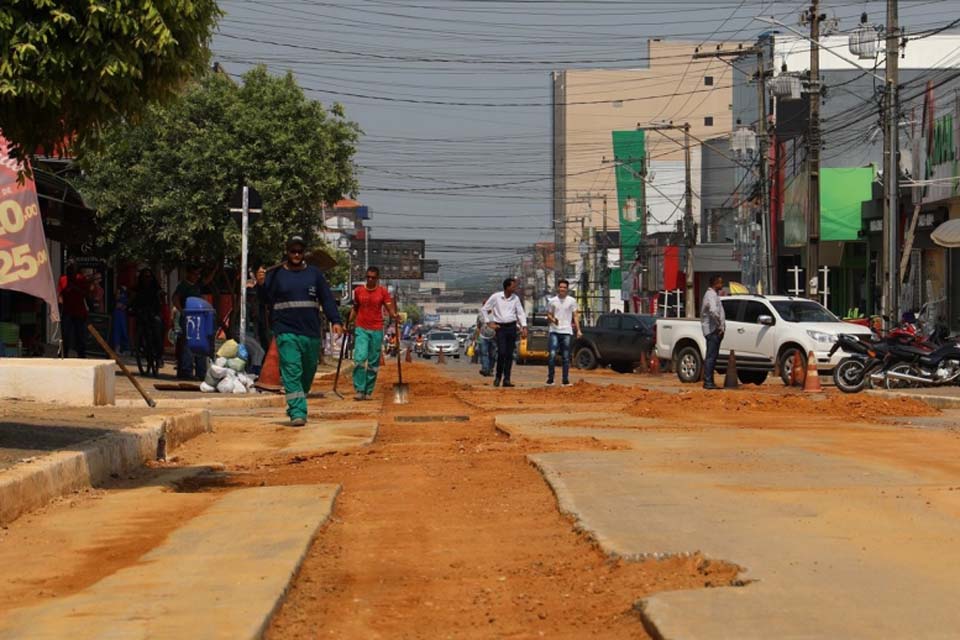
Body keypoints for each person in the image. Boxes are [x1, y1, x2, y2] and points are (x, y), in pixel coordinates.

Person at [256, 235, 343, 426]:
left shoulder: (314, 274)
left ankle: (298, 400)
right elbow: (265, 300)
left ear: (304, 253)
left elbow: (327, 299)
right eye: (292, 251)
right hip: (285, 330)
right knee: (292, 370)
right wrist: (261, 284)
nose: (296, 254)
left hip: (310, 333)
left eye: (299, 251)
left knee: (307, 371)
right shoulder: (275, 274)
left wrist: (335, 320)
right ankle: (297, 411)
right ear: (286, 252)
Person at [347, 266, 398, 401]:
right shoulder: (358, 291)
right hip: (361, 328)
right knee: (359, 358)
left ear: (377, 278)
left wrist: (394, 315)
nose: (370, 279)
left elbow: (389, 307)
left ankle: (368, 390)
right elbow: (355, 308)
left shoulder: (383, 292)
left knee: (373, 363)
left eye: (373, 277)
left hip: (376, 329)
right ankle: (359, 389)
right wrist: (348, 322)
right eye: (368, 277)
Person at [481, 277, 527, 387]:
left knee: (509, 355)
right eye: (513, 286)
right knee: (501, 353)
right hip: (500, 328)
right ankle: (498, 377)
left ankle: (507, 379)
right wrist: (489, 323)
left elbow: (520, 312)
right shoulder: (496, 297)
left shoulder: (515, 298)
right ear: (507, 287)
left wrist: (524, 326)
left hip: (512, 327)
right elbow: (484, 309)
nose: (515, 288)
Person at [173, 264, 210, 380]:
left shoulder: (198, 285)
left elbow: (207, 281)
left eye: (198, 274)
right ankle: (186, 371)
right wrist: (182, 311)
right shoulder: (183, 286)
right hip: (188, 319)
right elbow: (175, 298)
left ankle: (201, 372)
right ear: (188, 274)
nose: (197, 276)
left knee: (200, 344)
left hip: (199, 319)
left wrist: (215, 268)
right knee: (188, 345)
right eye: (195, 274)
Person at [546, 279, 581, 386]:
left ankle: (565, 380)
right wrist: (552, 319)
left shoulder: (572, 301)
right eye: (561, 287)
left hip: (566, 331)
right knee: (552, 355)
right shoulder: (552, 301)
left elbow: (575, 316)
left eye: (564, 287)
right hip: (554, 331)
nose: (562, 289)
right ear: (558, 288)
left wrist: (578, 330)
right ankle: (550, 379)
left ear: (567, 289)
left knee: (566, 356)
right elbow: (548, 315)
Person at [58, 261, 91, 358]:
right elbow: (60, 294)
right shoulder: (63, 279)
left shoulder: (81, 279)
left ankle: (81, 355)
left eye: (72, 268)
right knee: (65, 334)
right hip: (67, 311)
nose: (70, 270)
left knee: (80, 334)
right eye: (69, 268)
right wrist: (59, 304)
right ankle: (64, 354)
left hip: (79, 311)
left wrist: (75, 288)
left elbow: (86, 293)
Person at [700, 275, 726, 390]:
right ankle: (708, 382)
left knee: (713, 356)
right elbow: (713, 311)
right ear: (715, 283)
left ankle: (710, 381)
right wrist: (719, 325)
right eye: (720, 282)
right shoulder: (710, 295)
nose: (722, 285)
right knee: (711, 357)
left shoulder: (714, 295)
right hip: (712, 331)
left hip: (714, 330)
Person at [475, 309, 496, 376]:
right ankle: (485, 369)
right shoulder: (481, 315)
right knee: (484, 353)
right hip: (483, 337)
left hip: (493, 337)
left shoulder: (496, 313)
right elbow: (478, 326)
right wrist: (476, 337)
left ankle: (490, 369)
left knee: (492, 355)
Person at [111, 285, 130, 354]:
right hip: (118, 315)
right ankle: (117, 348)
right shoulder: (119, 298)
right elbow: (117, 305)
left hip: (121, 315)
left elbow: (124, 306)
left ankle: (122, 348)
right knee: (117, 331)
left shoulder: (124, 298)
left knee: (122, 331)